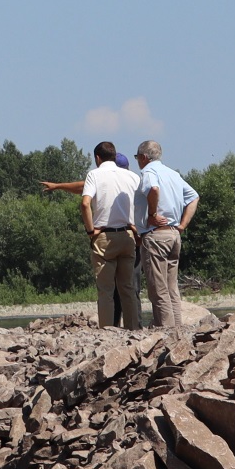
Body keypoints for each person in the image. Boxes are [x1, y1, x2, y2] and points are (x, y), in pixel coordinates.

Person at [132, 139, 199, 330]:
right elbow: (194, 197)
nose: (138, 161)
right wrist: (182, 225)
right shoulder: (173, 174)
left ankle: (166, 332)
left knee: (157, 288)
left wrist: (152, 214)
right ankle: (178, 330)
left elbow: (153, 189)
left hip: (156, 236)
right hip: (173, 235)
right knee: (171, 288)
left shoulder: (148, 172)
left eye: (137, 157)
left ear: (144, 157)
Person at [77, 140, 141, 329]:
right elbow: (142, 203)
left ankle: (106, 331)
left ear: (97, 158)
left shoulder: (94, 175)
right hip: (128, 235)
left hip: (104, 236)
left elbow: (85, 203)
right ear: (115, 156)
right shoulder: (132, 176)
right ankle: (133, 330)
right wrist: (138, 228)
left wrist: (91, 231)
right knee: (127, 288)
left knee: (106, 290)